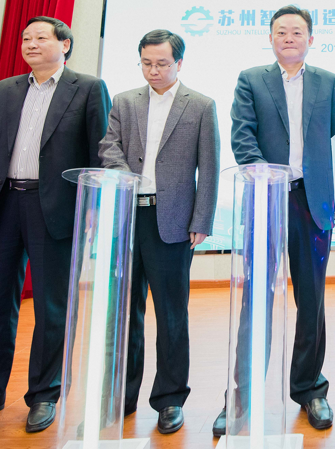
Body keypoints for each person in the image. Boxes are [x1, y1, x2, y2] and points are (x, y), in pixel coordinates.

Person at [0, 16, 110, 433]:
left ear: (65, 45)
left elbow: (100, 151)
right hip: (5, 202)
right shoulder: (5, 90)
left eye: (41, 37)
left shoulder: (88, 88)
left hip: (55, 207)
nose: (31, 44)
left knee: (51, 306)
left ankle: (44, 395)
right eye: (26, 38)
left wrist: (93, 209)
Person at [217, 5, 335, 434]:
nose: (289, 38)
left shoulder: (329, 82)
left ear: (311, 38)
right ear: (270, 38)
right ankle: (242, 396)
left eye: (297, 31)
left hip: (312, 203)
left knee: (312, 300)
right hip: (266, 199)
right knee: (256, 299)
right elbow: (242, 135)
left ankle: (310, 389)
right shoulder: (252, 79)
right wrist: (264, 178)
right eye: (281, 32)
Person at [98, 29, 219, 433]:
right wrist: (125, 176)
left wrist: (201, 221)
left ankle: (169, 400)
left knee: (171, 316)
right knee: (124, 313)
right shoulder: (124, 101)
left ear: (178, 63)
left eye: (162, 63)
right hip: (128, 216)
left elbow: (209, 167)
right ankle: (121, 397)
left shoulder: (200, 105)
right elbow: (108, 147)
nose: (153, 70)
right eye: (146, 63)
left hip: (172, 222)